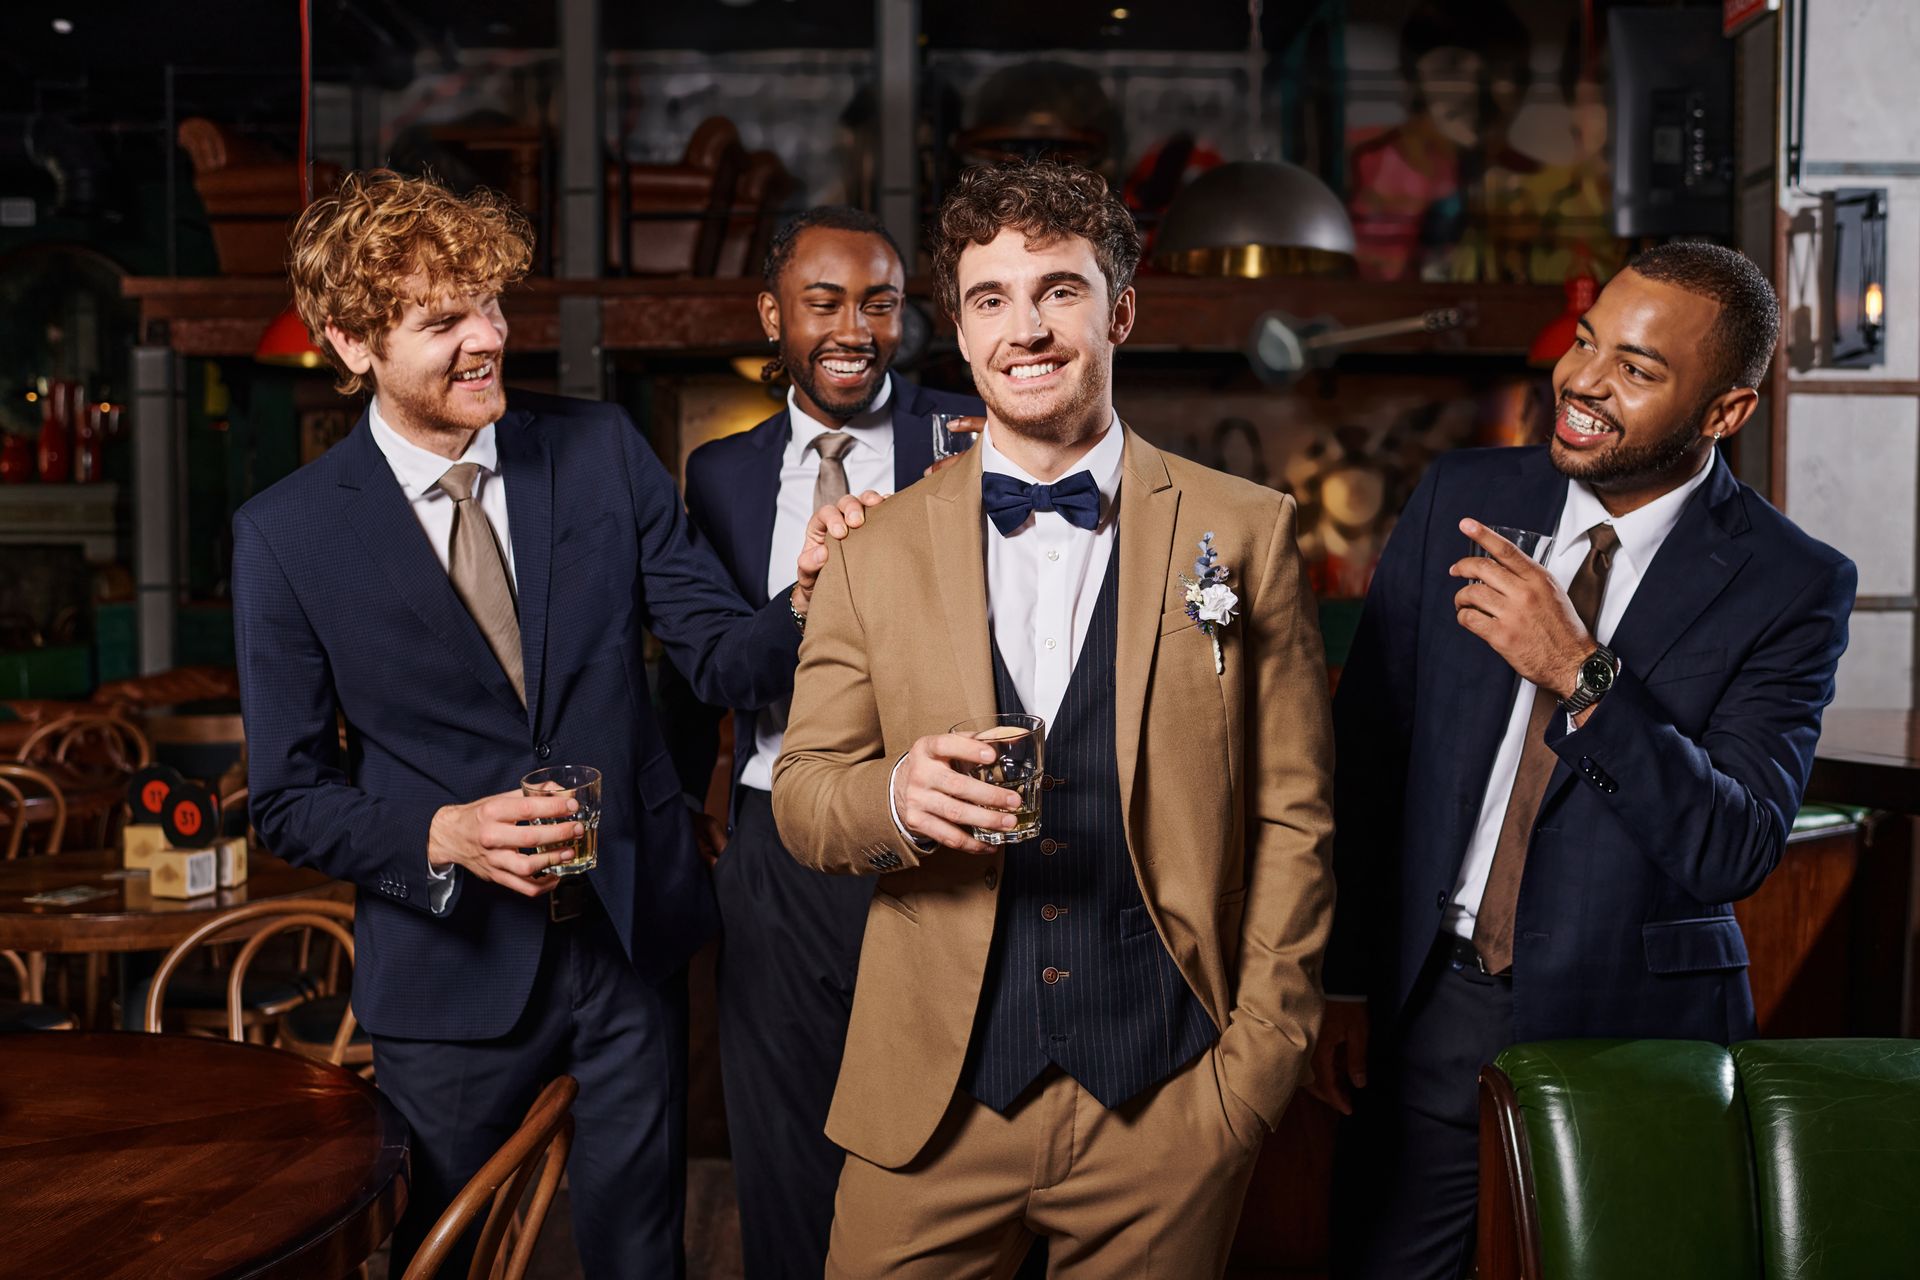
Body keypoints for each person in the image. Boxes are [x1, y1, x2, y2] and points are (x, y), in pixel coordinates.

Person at [231, 170, 856, 1278]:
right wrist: (444, 834)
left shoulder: (601, 447)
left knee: (641, 1257)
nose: (487, 340)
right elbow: (287, 796)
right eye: (443, 321)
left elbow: (715, 653)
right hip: (448, 973)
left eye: (490, 305)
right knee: (452, 1258)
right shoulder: (283, 536)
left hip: (631, 941)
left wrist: (806, 594)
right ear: (348, 341)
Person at [770, 159, 1335, 1277]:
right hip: (932, 1105)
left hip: (1167, 1101)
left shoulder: (1250, 529)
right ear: (965, 335)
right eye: (991, 299)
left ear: (1120, 310)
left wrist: (1254, 1074)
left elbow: (1294, 819)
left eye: (1059, 291)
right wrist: (893, 795)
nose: (1024, 328)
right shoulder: (869, 550)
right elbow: (802, 795)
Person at [1316, 242, 1857, 1279]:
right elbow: (1370, 763)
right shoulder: (1461, 495)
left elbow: (1734, 843)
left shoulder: (1793, 582)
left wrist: (1579, 671)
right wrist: (1343, 983)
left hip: (1638, 1029)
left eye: (1639, 371)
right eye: (1586, 343)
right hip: (1433, 999)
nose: (1584, 383)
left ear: (1724, 413)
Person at [657, 205, 984, 1278]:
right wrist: (692, 802)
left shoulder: (968, 432)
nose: (856, 327)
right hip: (777, 834)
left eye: (881, 302)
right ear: (772, 313)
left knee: (956, 1124)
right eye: (825, 301)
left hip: (940, 824)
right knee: (785, 1132)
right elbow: (709, 664)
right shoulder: (722, 475)